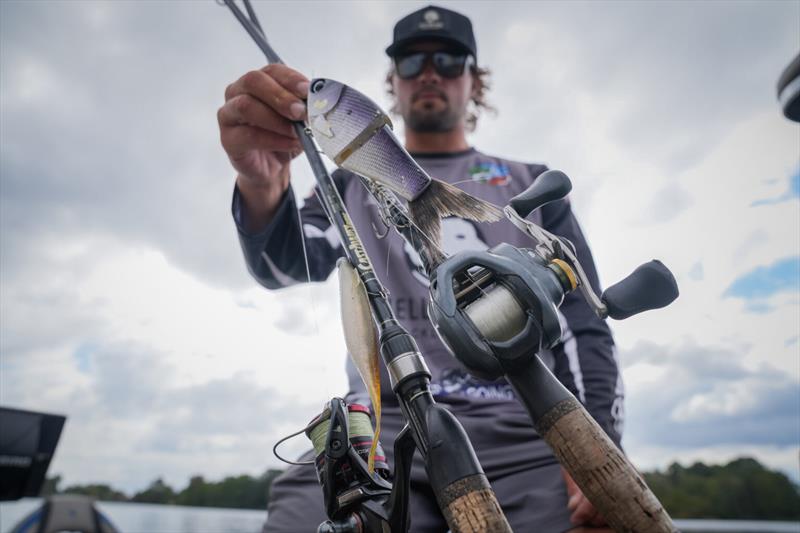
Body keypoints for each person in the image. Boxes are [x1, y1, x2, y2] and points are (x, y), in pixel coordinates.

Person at [218, 5, 621, 532]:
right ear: (393, 83)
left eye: (449, 60)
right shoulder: (345, 184)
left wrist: (598, 451)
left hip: (530, 436)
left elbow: (583, 326)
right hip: (381, 427)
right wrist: (261, 181)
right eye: (410, 63)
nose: (429, 73)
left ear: (474, 81)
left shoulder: (532, 182)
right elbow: (282, 265)